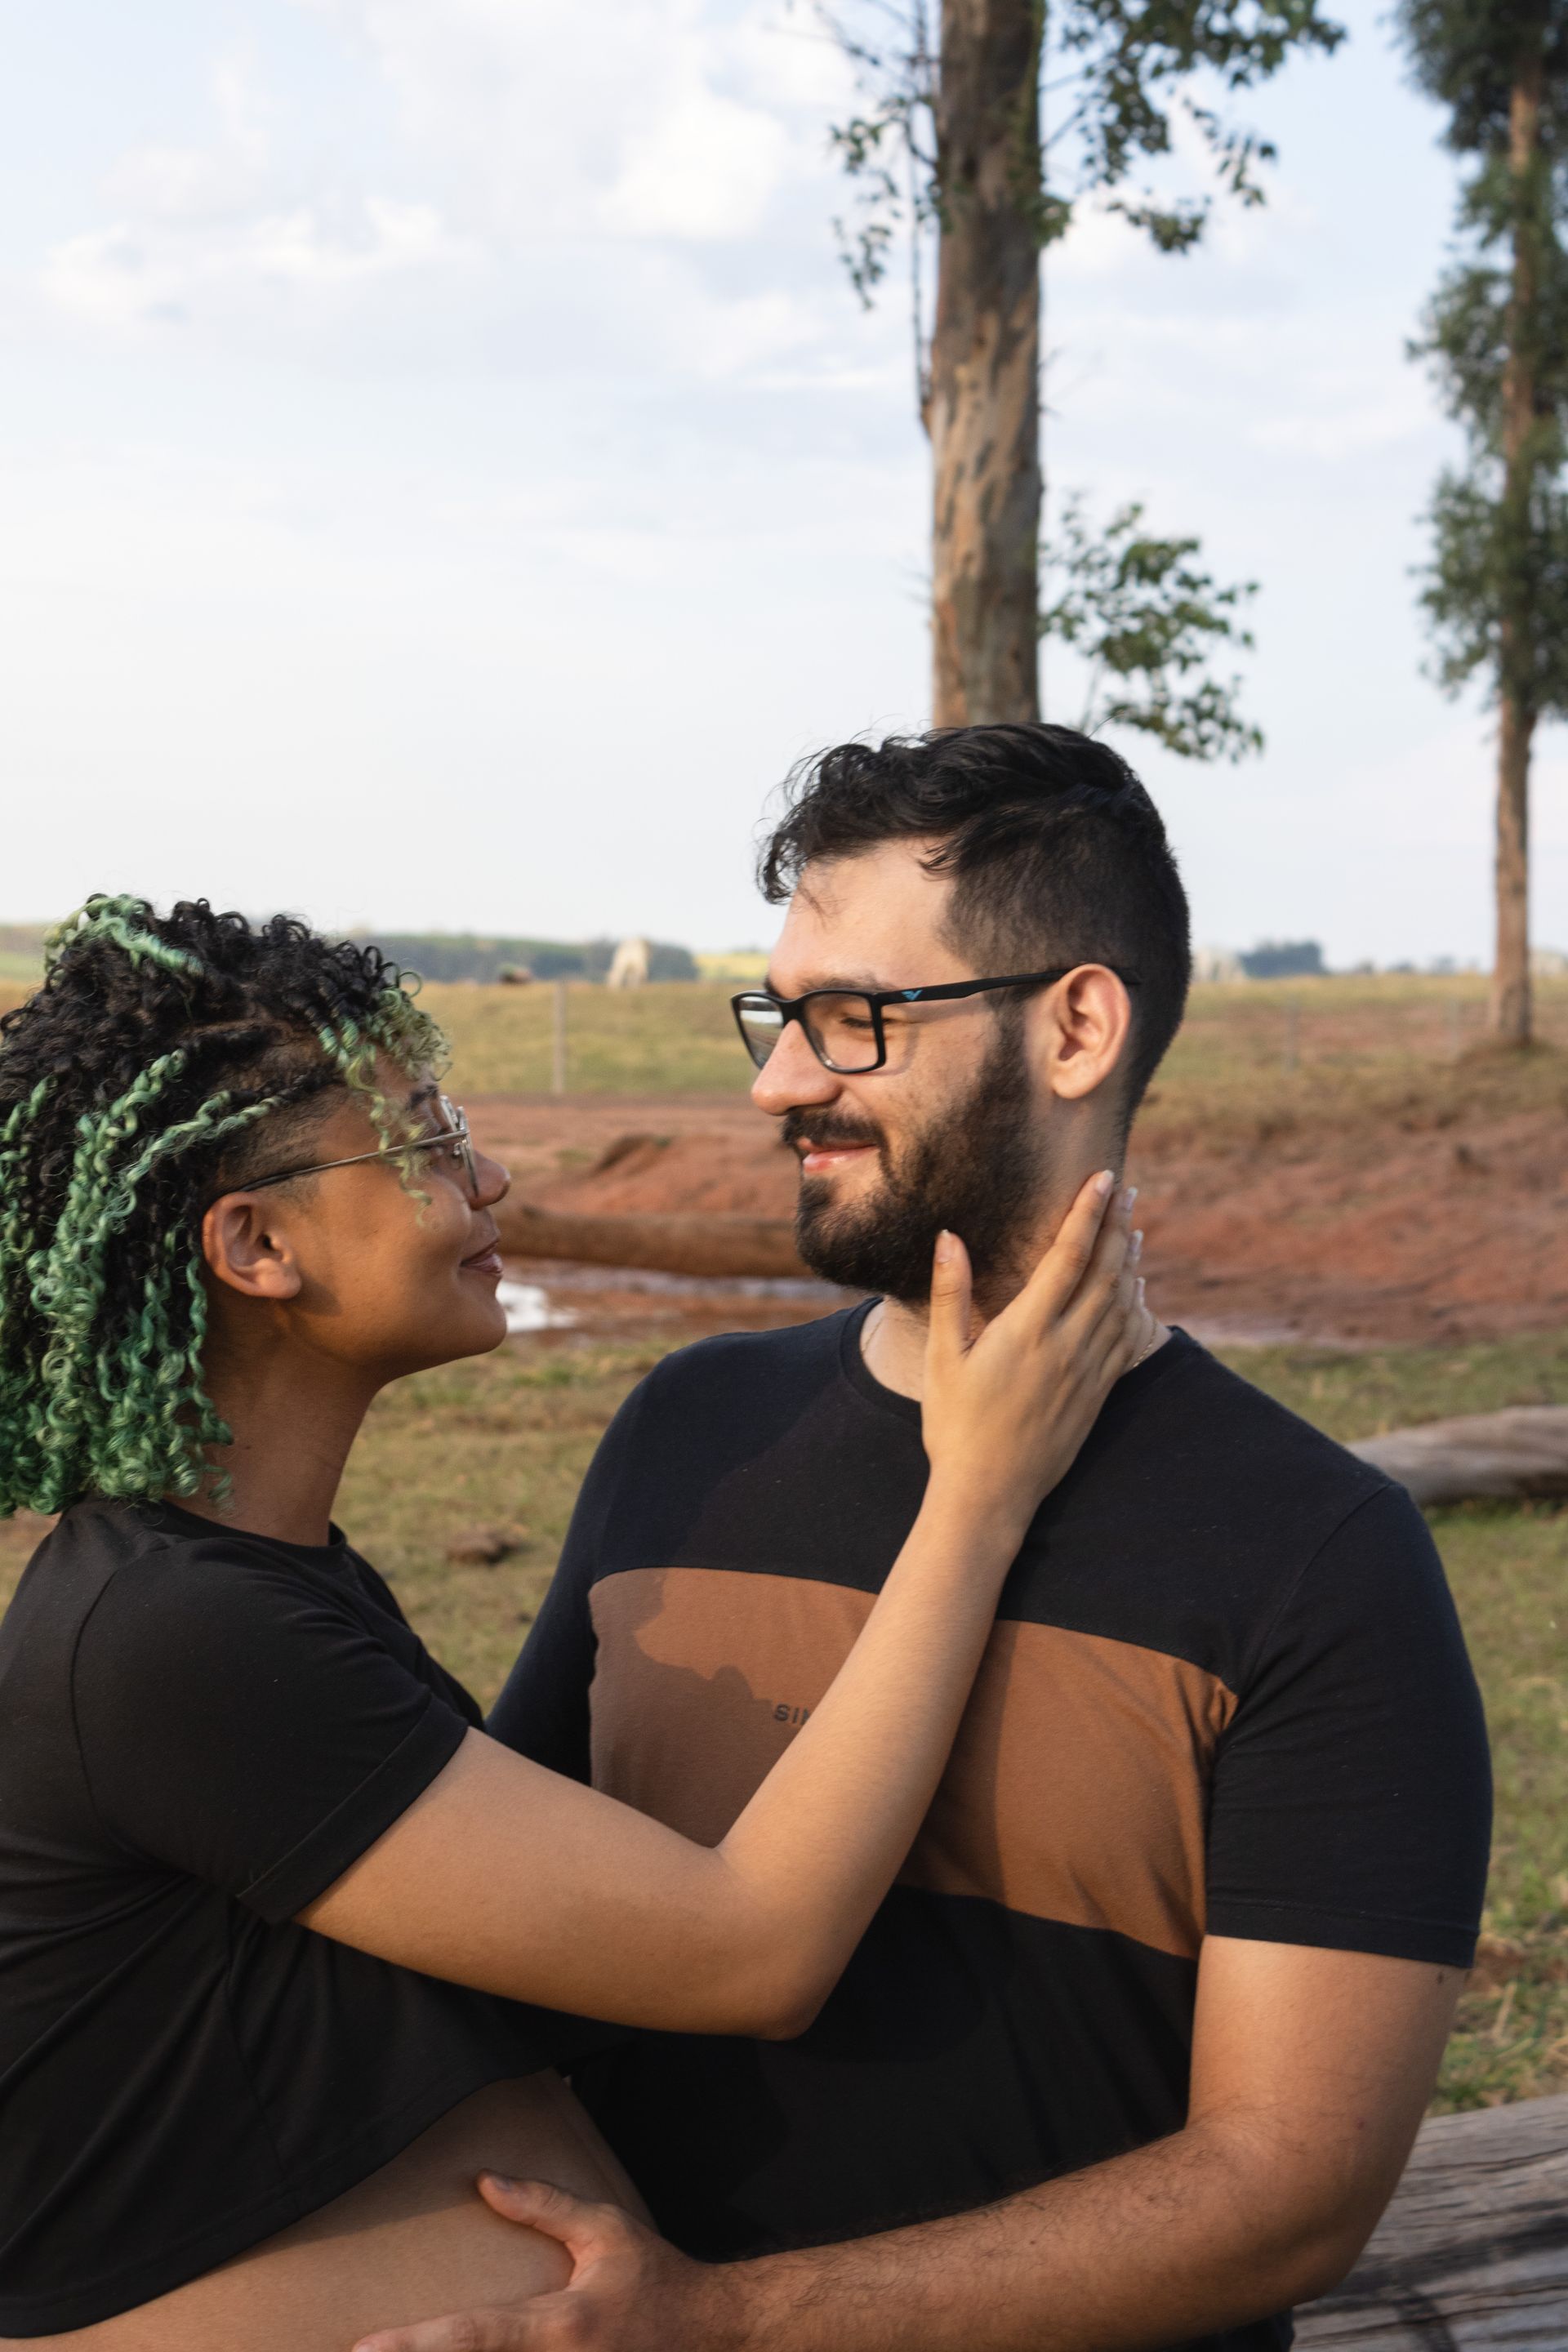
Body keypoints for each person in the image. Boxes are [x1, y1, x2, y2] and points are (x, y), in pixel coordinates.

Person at [378, 724, 1494, 2352]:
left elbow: (1291, 2186)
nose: (776, 1081)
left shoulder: (1324, 1559)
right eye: (780, 1015)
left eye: (852, 1022)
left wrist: (734, 2321)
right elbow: (506, 1967)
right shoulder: (687, 1440)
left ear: (1077, 1028)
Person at [0, 893, 1146, 2349]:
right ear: (255, 1247)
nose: (487, 1173)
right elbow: (754, 1952)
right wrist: (979, 1495)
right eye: (420, 1141)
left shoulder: (250, 1586)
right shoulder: (169, 1643)